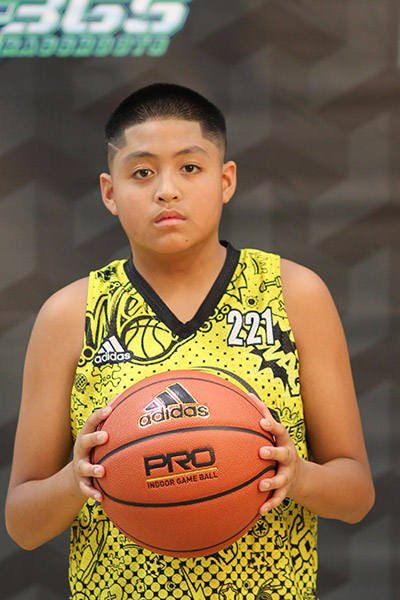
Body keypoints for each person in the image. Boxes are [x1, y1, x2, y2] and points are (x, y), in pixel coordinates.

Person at [5, 83, 375, 600]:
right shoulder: (71, 314)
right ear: (109, 193)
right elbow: (22, 525)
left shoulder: (293, 293)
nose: (167, 190)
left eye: (190, 167)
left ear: (226, 181)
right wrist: (75, 480)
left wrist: (299, 476)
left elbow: (356, 495)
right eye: (142, 172)